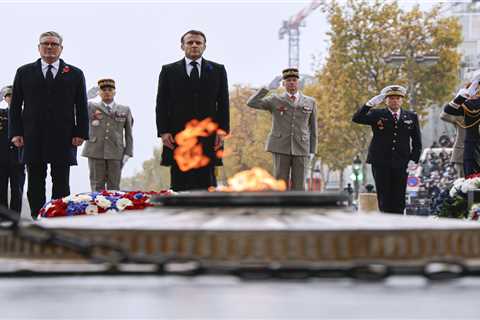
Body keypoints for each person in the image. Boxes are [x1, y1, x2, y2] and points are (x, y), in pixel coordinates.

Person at [9, 31, 88, 219]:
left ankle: (58, 218)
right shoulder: (24, 72)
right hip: (32, 135)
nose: (50, 47)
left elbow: (81, 106)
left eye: (54, 44)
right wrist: (16, 132)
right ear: (39, 48)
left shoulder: (75, 74)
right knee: (36, 181)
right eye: (46, 43)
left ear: (61, 48)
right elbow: (15, 106)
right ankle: (38, 218)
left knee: (61, 181)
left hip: (64, 135)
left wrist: (81, 132)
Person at [155, 30, 229, 191]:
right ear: (182, 46)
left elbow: (223, 103)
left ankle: (207, 215)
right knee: (179, 185)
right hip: (178, 136)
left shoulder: (218, 70)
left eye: (198, 42)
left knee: (207, 185)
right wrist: (163, 131)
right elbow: (161, 103)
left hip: (208, 136)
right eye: (190, 42)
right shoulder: (168, 71)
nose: (194, 45)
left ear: (204, 46)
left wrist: (222, 131)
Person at [352, 85, 422, 214]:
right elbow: (357, 118)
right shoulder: (377, 114)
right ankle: (386, 223)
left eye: (397, 98)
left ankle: (399, 225)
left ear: (402, 100)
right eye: (391, 98)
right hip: (380, 162)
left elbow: (417, 142)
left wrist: (414, 160)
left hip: (402, 162)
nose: (394, 101)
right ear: (385, 100)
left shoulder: (411, 116)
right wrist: (369, 104)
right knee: (384, 196)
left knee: (399, 196)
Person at [246, 68, 318, 191]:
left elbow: (313, 128)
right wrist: (267, 88)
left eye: (294, 80)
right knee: (280, 184)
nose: (291, 83)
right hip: (280, 147)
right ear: (284, 83)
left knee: (299, 185)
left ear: (298, 82)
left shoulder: (310, 102)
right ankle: (280, 209)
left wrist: (312, 151)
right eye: (288, 80)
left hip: (301, 147)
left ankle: (297, 210)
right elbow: (252, 103)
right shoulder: (275, 100)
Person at [82, 79, 133, 191]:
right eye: (103, 90)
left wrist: (128, 153)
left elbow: (129, 133)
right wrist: (84, 97)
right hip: (95, 150)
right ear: (99, 93)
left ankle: (113, 209)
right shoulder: (91, 107)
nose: (107, 92)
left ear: (115, 92)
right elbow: (76, 111)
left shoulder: (124, 109)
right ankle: (97, 208)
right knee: (96, 186)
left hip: (116, 151)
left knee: (114, 187)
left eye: (110, 89)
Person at [442, 73, 480, 177]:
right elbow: (447, 111)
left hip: (471, 147)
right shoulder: (469, 106)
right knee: (470, 181)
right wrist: (462, 97)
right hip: (471, 148)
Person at [0, 86, 25, 215]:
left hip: (18, 159)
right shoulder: (1, 113)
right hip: (1, 159)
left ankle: (15, 220)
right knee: (1, 192)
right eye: (8, 95)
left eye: (13, 95)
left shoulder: (26, 115)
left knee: (17, 191)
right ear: (5, 98)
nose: (11, 98)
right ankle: (3, 221)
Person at [440, 110, 465, 177]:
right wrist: (458, 100)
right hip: (462, 153)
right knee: (463, 181)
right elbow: (443, 116)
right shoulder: (461, 118)